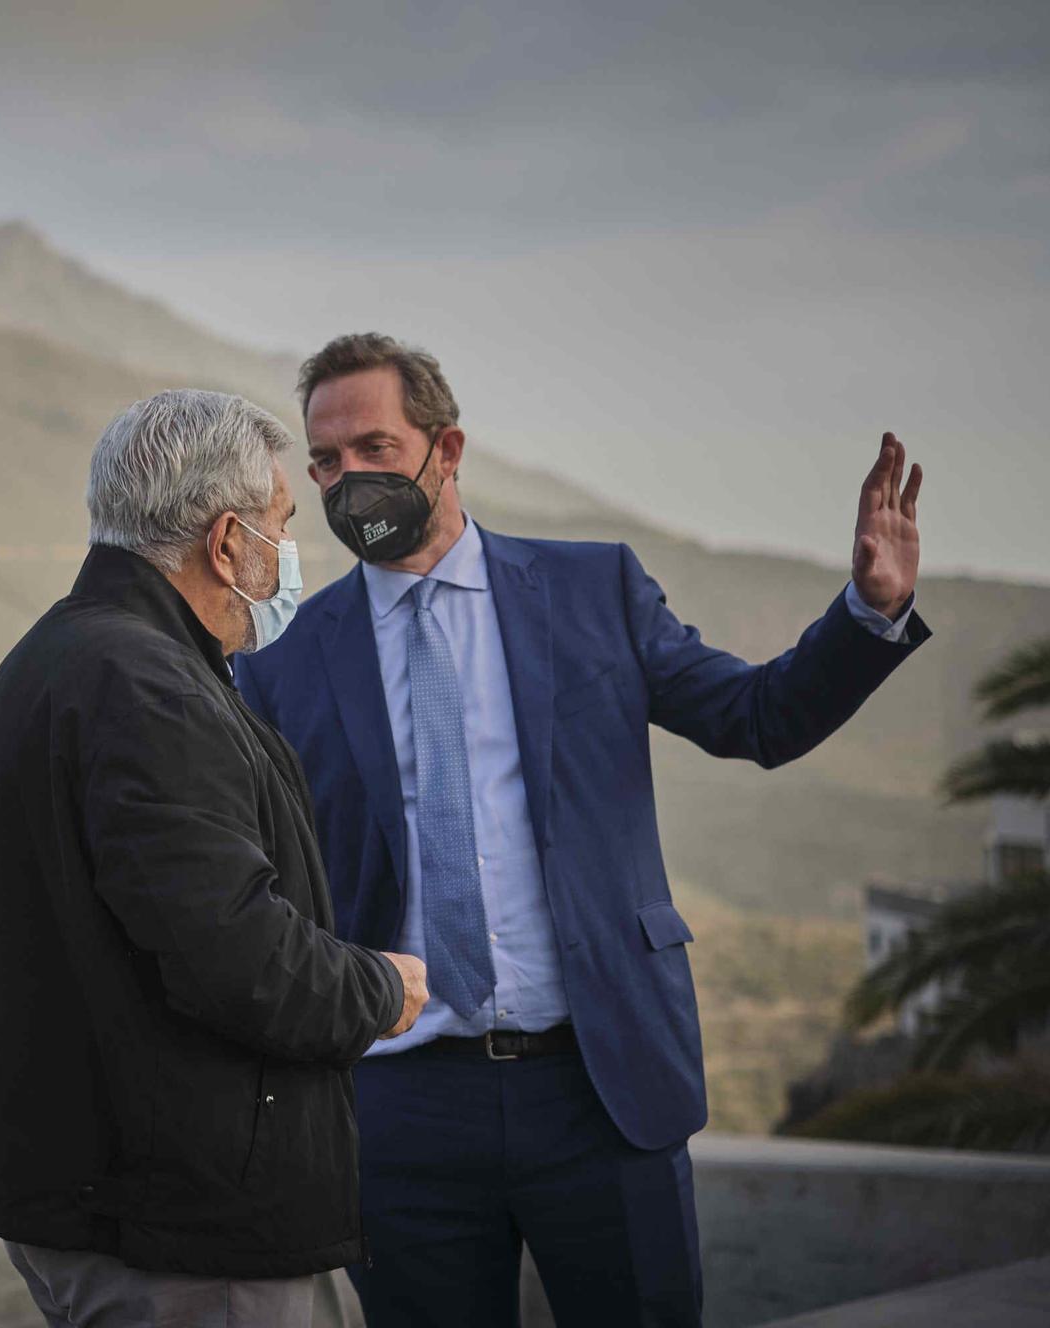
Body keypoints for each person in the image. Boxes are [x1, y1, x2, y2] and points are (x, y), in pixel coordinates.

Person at [233, 334, 930, 1327]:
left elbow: (756, 717)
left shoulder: (588, 590)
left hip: (597, 1086)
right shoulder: (284, 653)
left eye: (374, 447)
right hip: (398, 1106)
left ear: (448, 446)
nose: (350, 478)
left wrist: (869, 609)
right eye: (327, 462)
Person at [0, 388, 429, 1328]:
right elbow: (235, 956)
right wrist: (380, 989)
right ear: (227, 544)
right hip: (182, 1224)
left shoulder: (57, 658)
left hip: (100, 1198)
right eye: (283, 527)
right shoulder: (149, 690)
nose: (290, 556)